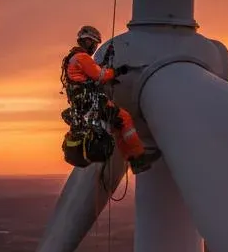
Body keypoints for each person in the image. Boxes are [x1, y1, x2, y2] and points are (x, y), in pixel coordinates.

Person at [62, 25, 161, 174]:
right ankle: (138, 158)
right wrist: (118, 71)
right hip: (92, 103)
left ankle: (133, 159)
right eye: (94, 44)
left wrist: (105, 65)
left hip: (84, 104)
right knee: (124, 119)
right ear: (89, 41)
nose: (95, 48)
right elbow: (100, 76)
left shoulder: (73, 58)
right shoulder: (82, 57)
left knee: (118, 126)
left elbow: (92, 74)